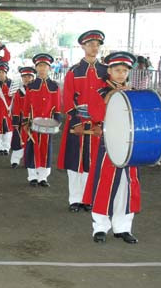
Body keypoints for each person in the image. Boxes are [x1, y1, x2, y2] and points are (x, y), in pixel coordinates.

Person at [82, 51, 140, 244]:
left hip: (130, 146)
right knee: (104, 184)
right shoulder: (100, 91)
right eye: (117, 70)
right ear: (109, 70)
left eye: (124, 70)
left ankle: (123, 227)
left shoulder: (132, 92)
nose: (121, 74)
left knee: (127, 186)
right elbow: (96, 114)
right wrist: (110, 97)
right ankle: (100, 227)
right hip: (108, 145)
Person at [58, 30, 108, 212]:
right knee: (74, 161)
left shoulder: (106, 71)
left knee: (93, 160)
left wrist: (101, 122)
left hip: (97, 124)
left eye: (97, 44)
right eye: (90, 44)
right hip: (77, 120)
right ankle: (75, 199)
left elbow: (108, 99)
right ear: (83, 47)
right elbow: (68, 97)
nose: (94, 47)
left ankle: (89, 198)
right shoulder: (74, 71)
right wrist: (75, 122)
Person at [22, 54, 61, 187]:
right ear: (36, 68)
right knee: (32, 149)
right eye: (39, 66)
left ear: (49, 68)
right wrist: (25, 121)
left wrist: (57, 121)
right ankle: (32, 176)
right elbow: (26, 105)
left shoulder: (54, 86)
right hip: (33, 122)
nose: (42, 68)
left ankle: (43, 177)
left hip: (48, 124)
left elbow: (57, 106)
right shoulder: (31, 86)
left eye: (45, 66)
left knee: (46, 148)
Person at [10, 66, 36, 168]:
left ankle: (28, 161)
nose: (27, 78)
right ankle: (15, 161)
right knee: (18, 141)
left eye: (29, 76)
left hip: (33, 120)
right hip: (22, 120)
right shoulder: (19, 92)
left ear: (33, 78)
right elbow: (16, 107)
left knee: (31, 142)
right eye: (24, 76)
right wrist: (16, 121)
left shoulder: (36, 90)